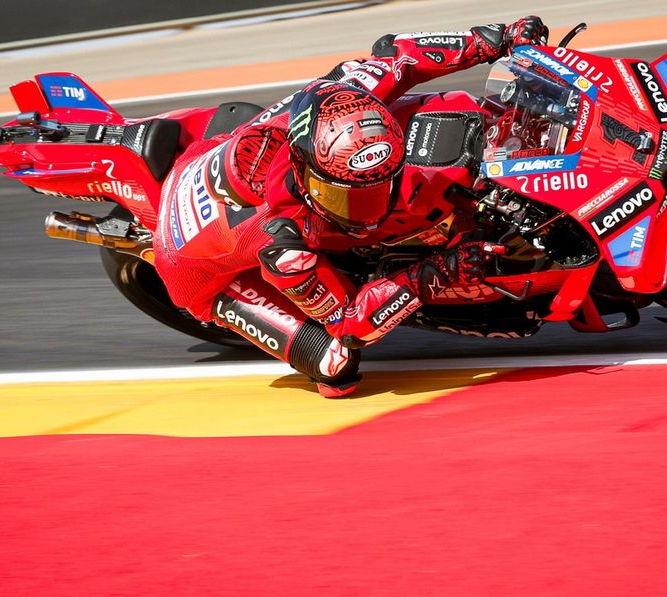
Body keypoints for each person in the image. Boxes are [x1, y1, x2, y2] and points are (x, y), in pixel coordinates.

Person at [152, 16, 549, 397]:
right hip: (195, 269)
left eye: (379, 189)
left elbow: (398, 53)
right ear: (308, 176)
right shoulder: (285, 245)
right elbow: (349, 324)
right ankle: (252, 318)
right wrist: (435, 272)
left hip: (212, 152)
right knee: (337, 363)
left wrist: (497, 38)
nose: (370, 210)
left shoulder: (341, 101)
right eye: (348, 197)